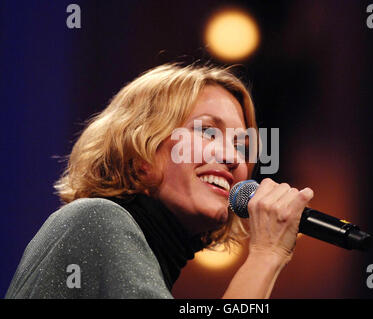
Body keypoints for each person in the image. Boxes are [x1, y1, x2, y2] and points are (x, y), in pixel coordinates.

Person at [5, 63, 313, 299]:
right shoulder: (97, 220)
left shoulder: (141, 256)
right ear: (139, 147)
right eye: (207, 132)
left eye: (242, 146)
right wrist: (266, 254)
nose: (233, 158)